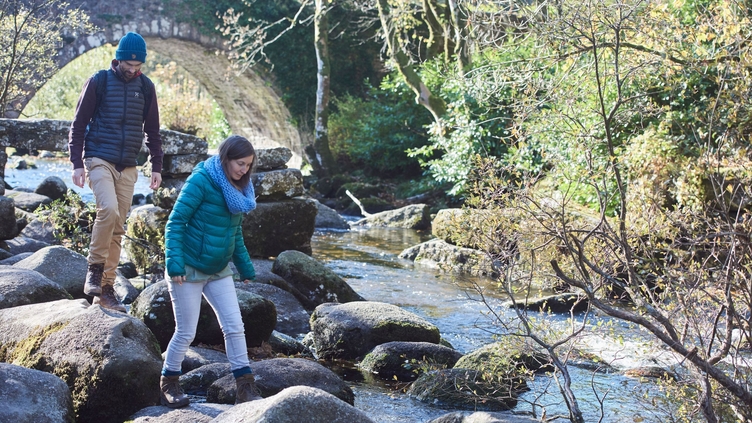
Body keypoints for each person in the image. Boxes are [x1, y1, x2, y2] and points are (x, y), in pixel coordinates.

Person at [159, 135, 261, 408]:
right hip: (188, 268)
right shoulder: (201, 180)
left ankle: (245, 387)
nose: (244, 170)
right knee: (186, 332)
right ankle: (169, 381)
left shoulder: (239, 189)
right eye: (240, 163)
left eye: (249, 165)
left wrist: (245, 266)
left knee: (234, 326)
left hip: (218, 269)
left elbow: (234, 232)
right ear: (226, 158)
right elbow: (175, 222)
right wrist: (175, 264)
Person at [68, 32, 163, 312]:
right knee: (107, 210)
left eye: (138, 66)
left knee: (119, 227)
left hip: (129, 164)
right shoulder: (98, 81)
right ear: (118, 59)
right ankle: (94, 271)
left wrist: (156, 165)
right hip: (99, 158)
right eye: (128, 64)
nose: (133, 70)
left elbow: (153, 131)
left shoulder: (146, 87)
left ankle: (105, 290)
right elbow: (78, 124)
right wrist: (76, 163)